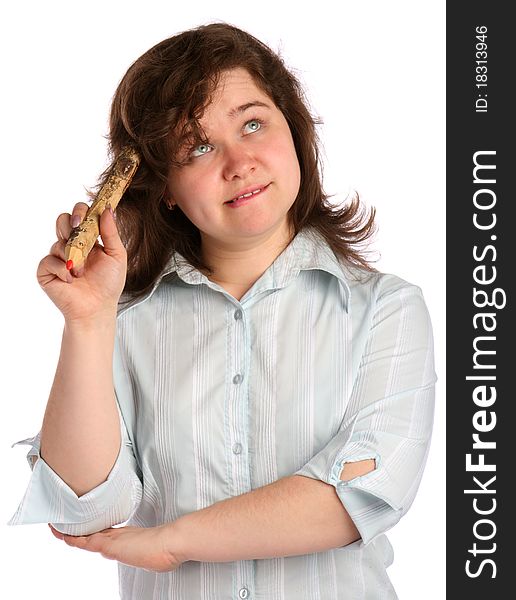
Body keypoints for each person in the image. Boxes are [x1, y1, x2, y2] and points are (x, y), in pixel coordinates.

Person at [9, 22, 436, 599]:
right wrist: (87, 323)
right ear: (163, 186)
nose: (239, 163)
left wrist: (173, 540)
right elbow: (82, 508)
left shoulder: (386, 308)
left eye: (253, 124)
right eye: (198, 147)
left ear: (294, 128)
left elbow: (356, 498)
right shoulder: (125, 320)